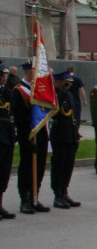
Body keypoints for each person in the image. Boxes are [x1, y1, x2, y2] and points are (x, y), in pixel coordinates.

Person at [12, 61, 49, 213]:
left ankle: (35, 196)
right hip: (28, 135)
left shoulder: (39, 89)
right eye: (36, 71)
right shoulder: (19, 91)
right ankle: (25, 198)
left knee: (39, 166)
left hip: (41, 134)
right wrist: (26, 139)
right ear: (29, 71)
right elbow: (20, 119)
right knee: (27, 166)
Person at [49, 71, 81, 209]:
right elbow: (55, 113)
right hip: (60, 135)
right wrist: (61, 93)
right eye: (66, 83)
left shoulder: (69, 95)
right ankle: (57, 195)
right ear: (59, 82)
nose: (69, 86)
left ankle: (65, 191)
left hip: (71, 134)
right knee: (59, 166)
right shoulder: (54, 95)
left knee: (68, 165)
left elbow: (74, 114)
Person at [0, 63, 17, 219]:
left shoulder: (6, 91)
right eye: (2, 74)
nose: (4, 76)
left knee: (4, 172)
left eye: (5, 74)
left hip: (8, 134)